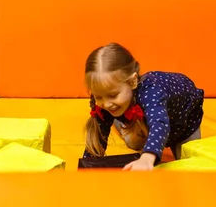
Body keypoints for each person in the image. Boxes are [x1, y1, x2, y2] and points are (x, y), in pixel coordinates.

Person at [82, 42, 205, 171]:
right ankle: (125, 124)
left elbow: (160, 123)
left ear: (133, 81)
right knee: (134, 143)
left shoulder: (151, 92)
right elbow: (97, 138)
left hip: (183, 118)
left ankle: (128, 126)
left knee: (190, 166)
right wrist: (87, 166)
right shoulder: (105, 96)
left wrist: (147, 158)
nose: (106, 103)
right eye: (99, 97)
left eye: (113, 95)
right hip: (144, 114)